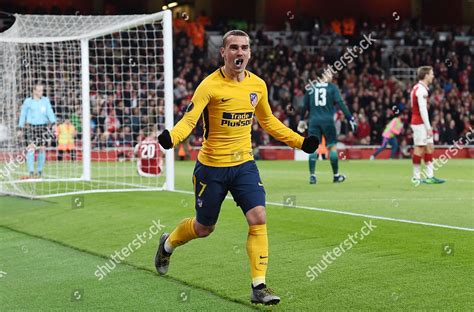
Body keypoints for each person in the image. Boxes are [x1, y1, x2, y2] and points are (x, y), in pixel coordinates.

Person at [154, 30, 318, 305]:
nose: (239, 53)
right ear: (223, 52)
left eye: (244, 48)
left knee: (258, 216)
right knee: (205, 228)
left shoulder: (258, 86)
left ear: (250, 53)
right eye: (233, 48)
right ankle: (168, 243)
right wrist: (172, 137)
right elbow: (189, 119)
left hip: (244, 165)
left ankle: (259, 286)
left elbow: (269, 122)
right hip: (211, 168)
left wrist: (301, 142)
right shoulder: (209, 85)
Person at [298, 69, 356, 184]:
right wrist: (350, 118)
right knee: (332, 147)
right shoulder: (332, 87)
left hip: (314, 121)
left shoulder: (311, 88)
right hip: (328, 121)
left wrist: (301, 119)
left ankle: (313, 176)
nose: (331, 75)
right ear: (324, 75)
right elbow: (340, 103)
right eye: (329, 73)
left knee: (313, 148)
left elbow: (305, 106)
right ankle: (336, 176)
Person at [410, 66, 445, 184]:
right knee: (419, 148)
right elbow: (422, 109)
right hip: (420, 123)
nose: (433, 76)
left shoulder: (417, 88)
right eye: (431, 73)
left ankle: (430, 176)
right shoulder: (421, 90)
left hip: (419, 121)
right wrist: (428, 127)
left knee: (429, 147)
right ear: (426, 75)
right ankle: (416, 177)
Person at [18, 82, 57, 178]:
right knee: (31, 149)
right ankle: (31, 171)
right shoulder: (28, 101)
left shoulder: (45, 100)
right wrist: (20, 127)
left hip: (43, 127)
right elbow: (23, 114)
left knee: (42, 149)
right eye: (39, 90)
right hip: (31, 127)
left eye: (42, 90)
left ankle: (39, 171)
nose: (41, 92)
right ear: (34, 91)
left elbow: (50, 112)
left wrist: (54, 123)